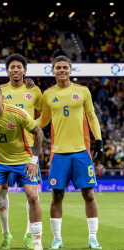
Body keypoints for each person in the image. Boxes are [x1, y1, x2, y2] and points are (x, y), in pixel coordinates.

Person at [36, 55, 103, 249]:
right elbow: (44, 120)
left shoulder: (82, 91)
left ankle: (93, 238)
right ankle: (57, 239)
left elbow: (92, 116)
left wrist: (98, 139)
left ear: (71, 70)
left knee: (89, 194)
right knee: (57, 195)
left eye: (65, 67)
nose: (62, 70)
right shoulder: (48, 94)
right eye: (58, 67)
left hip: (81, 152)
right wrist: (26, 126)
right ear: (53, 70)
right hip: (59, 153)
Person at [0, 84, 44, 250]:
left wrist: (34, 160)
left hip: (24, 160)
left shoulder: (17, 113)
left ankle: (36, 240)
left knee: (33, 196)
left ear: (2, 98)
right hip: (0, 162)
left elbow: (39, 133)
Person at [0, 53, 43, 249]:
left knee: (32, 194)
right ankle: (6, 234)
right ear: (7, 70)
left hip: (27, 151)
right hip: (3, 151)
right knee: (0, 194)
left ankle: (29, 234)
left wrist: (34, 131)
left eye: (19, 67)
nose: (16, 70)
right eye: (12, 67)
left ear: (25, 70)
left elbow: (44, 114)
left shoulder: (34, 91)